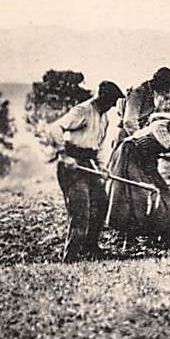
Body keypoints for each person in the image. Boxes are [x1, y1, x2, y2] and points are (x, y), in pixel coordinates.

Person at [49, 80, 125, 263]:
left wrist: (102, 168)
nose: (114, 105)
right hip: (72, 166)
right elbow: (55, 128)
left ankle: (91, 249)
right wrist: (64, 155)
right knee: (80, 211)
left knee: (101, 202)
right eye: (113, 100)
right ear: (103, 98)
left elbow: (97, 147)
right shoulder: (82, 111)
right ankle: (71, 257)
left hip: (88, 164)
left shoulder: (104, 118)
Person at [107, 114, 170, 246]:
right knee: (138, 195)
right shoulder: (160, 126)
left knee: (164, 193)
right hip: (130, 155)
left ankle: (164, 234)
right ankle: (128, 238)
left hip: (147, 160)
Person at [116, 67, 170, 142]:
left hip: (138, 135)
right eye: (164, 88)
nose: (164, 91)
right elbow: (129, 122)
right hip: (128, 136)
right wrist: (139, 139)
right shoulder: (138, 93)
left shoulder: (151, 94)